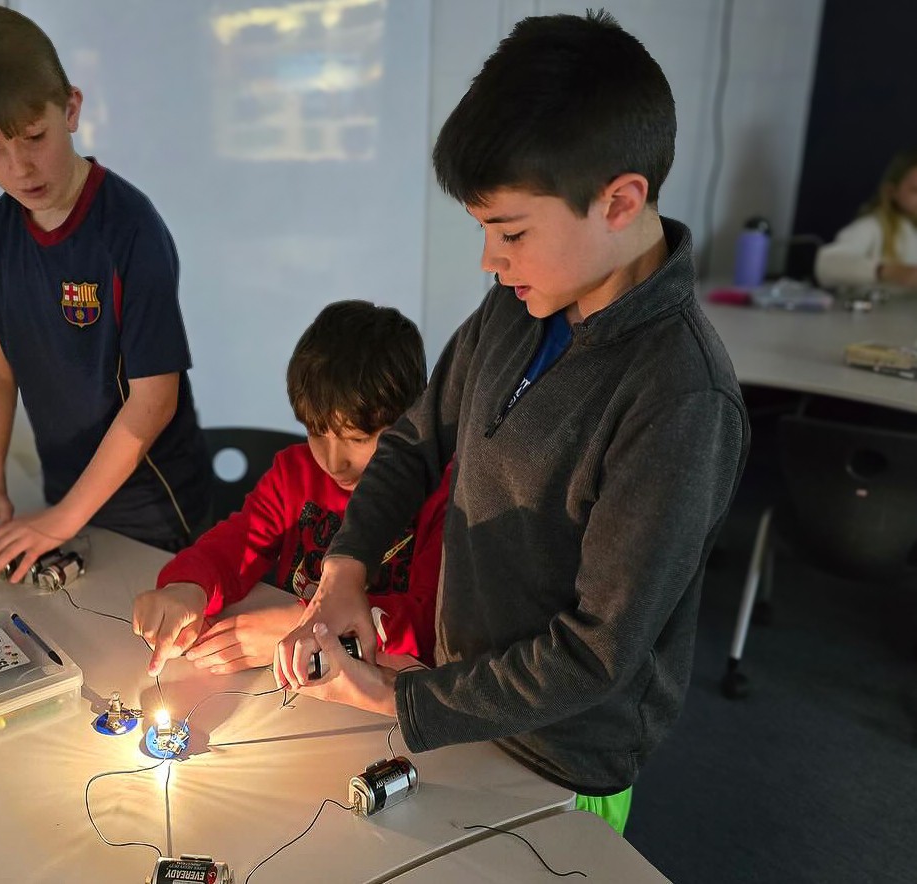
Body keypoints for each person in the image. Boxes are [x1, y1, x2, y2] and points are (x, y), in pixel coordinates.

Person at [274, 11, 749, 835]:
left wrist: (399, 695)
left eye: (512, 233)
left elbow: (597, 650)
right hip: (459, 708)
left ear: (619, 201)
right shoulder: (520, 306)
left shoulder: (681, 400)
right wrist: (345, 567)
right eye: (485, 231)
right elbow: (418, 440)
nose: (491, 260)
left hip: (563, 759)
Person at [0, 3, 211, 579]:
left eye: (34, 136)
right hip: (66, 499)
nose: (20, 167)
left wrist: (61, 519)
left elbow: (155, 399)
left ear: (71, 108)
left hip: (155, 509)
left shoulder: (129, 229)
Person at [133, 301, 450, 679]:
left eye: (358, 438)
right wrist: (188, 587)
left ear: (411, 422)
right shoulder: (294, 473)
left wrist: (303, 624)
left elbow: (425, 624)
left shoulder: (442, 497)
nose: (334, 462)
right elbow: (237, 544)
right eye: (317, 433)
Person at [815, 149, 917, 290]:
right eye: (915, 190)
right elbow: (827, 265)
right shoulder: (872, 227)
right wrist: (887, 271)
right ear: (892, 191)